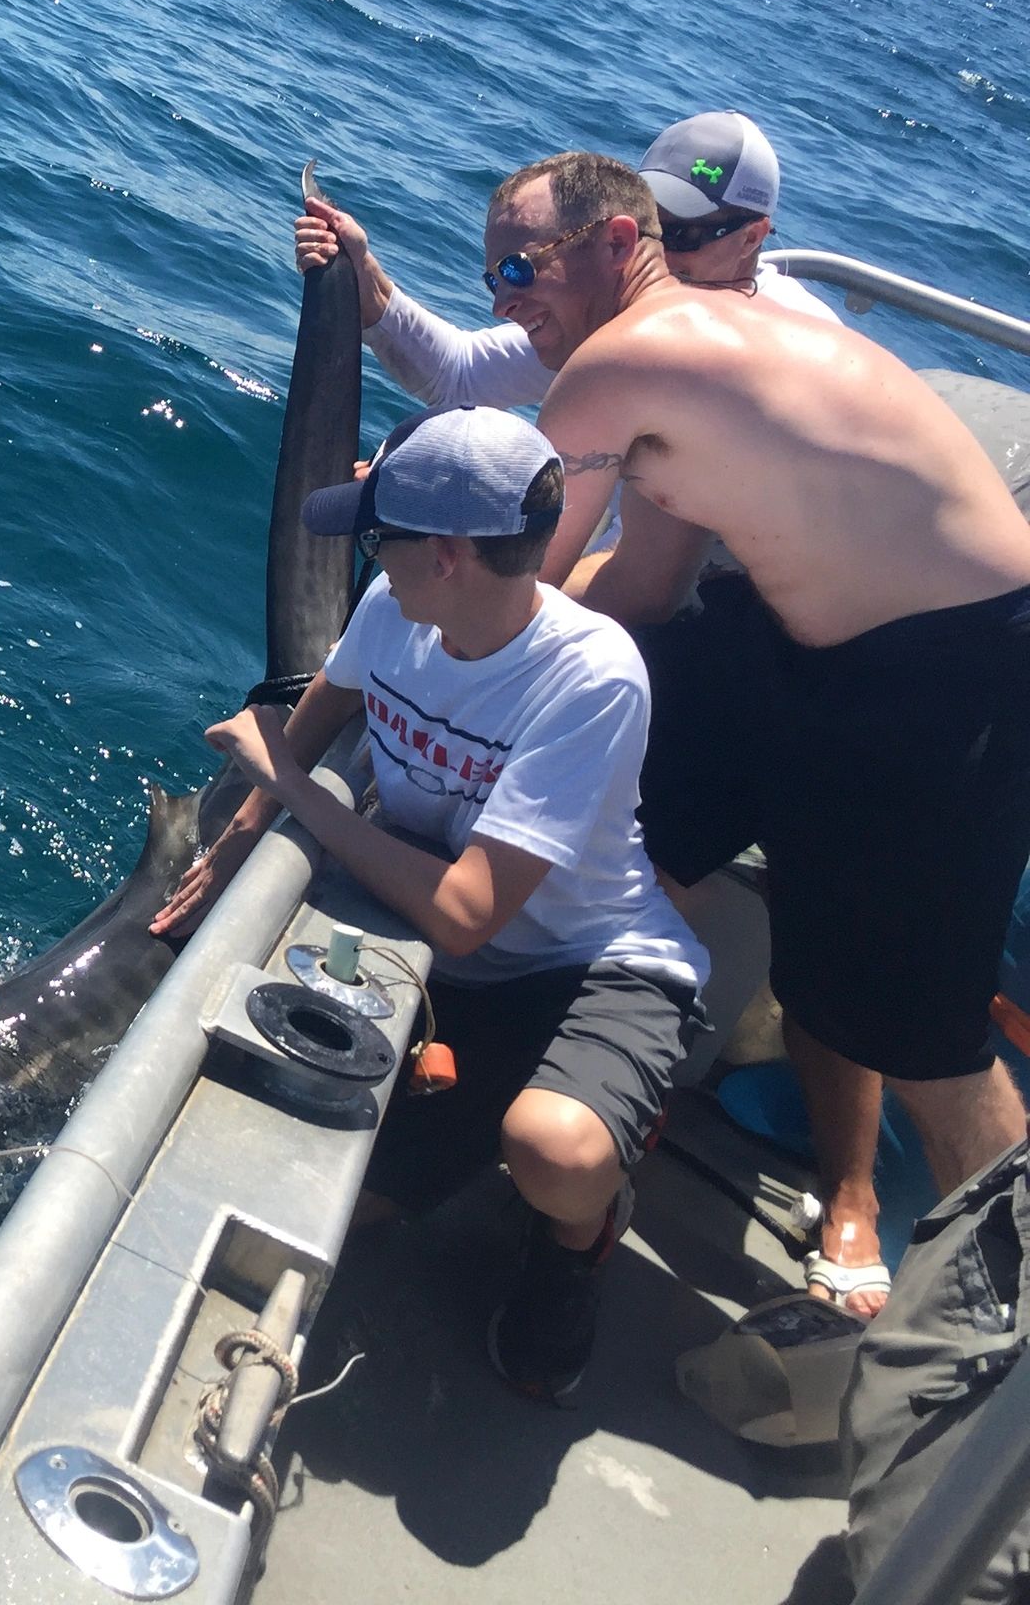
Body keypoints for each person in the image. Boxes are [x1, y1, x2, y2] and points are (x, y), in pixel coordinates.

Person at [489, 147, 1030, 1318]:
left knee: (922, 1028)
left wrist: (395, 642)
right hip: (784, 635)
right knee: (626, 824)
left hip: (953, 672)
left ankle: (1000, 1340)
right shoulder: (686, 344)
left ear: (616, 247)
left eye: (523, 264)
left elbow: (508, 597)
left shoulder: (608, 370)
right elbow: (642, 581)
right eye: (491, 271)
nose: (506, 294)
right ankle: (567, 1100)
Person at [153, 405, 709, 1402]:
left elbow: (461, 911)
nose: (371, 558)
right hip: (453, 965)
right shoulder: (389, 613)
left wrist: (280, 784)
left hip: (588, 963)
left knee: (554, 1153)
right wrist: (230, 852)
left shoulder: (591, 680)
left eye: (381, 538)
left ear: (447, 557)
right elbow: (312, 731)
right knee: (324, 1204)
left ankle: (577, 1243)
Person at [293, 111, 835, 412]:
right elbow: (460, 376)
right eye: (646, 218)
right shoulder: (609, 317)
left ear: (753, 238)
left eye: (681, 234)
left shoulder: (776, 352)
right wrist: (370, 289)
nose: (656, 248)